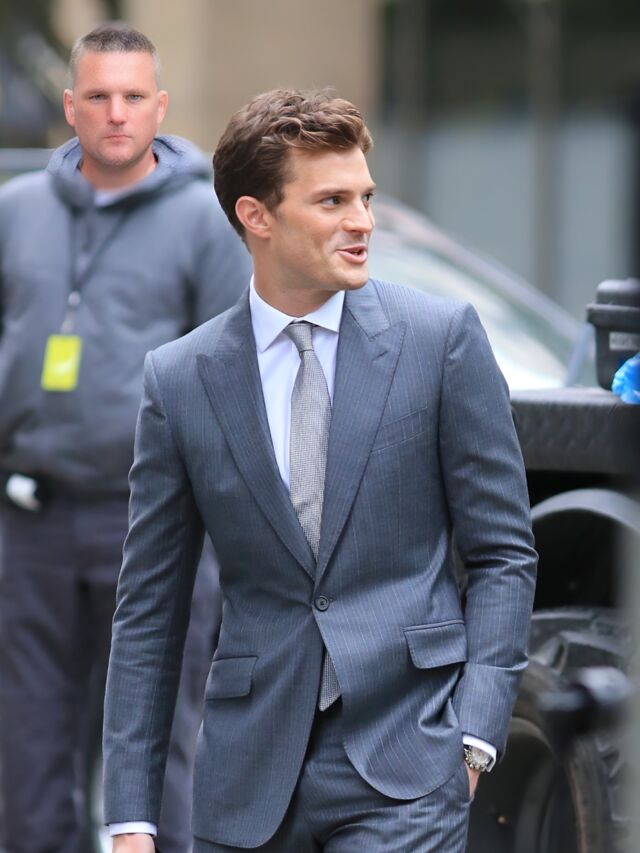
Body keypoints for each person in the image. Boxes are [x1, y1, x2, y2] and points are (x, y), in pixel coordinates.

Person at [103, 89, 537, 852]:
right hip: (246, 782)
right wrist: (131, 816)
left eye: (365, 197)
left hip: (410, 763)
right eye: (333, 201)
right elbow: (150, 609)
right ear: (256, 216)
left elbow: (504, 550)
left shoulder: (441, 341)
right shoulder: (180, 379)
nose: (362, 221)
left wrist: (475, 736)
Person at [0, 22, 250, 853]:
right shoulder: (15, 212)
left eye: (133, 96)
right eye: (99, 96)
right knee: (27, 749)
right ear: (70, 106)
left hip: (155, 525)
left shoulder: (205, 222)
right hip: (30, 519)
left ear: (160, 106)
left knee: (156, 747)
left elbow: (229, 372)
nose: (116, 113)